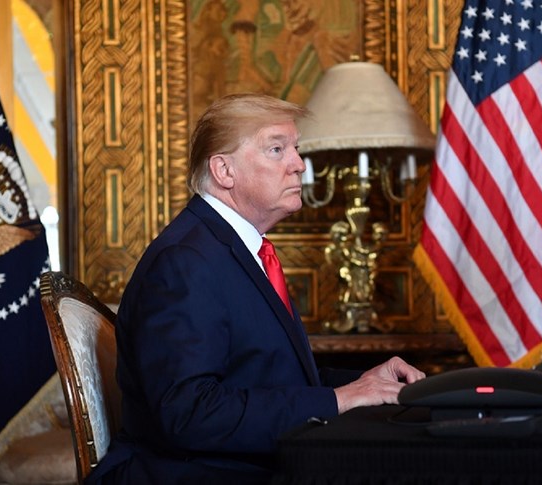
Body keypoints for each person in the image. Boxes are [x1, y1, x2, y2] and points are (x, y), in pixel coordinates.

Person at [86, 93, 426, 484]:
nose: (299, 165)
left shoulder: (234, 249)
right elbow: (190, 413)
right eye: (277, 149)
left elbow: (267, 377)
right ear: (224, 171)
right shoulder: (185, 262)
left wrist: (366, 381)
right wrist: (339, 399)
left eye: (295, 149)